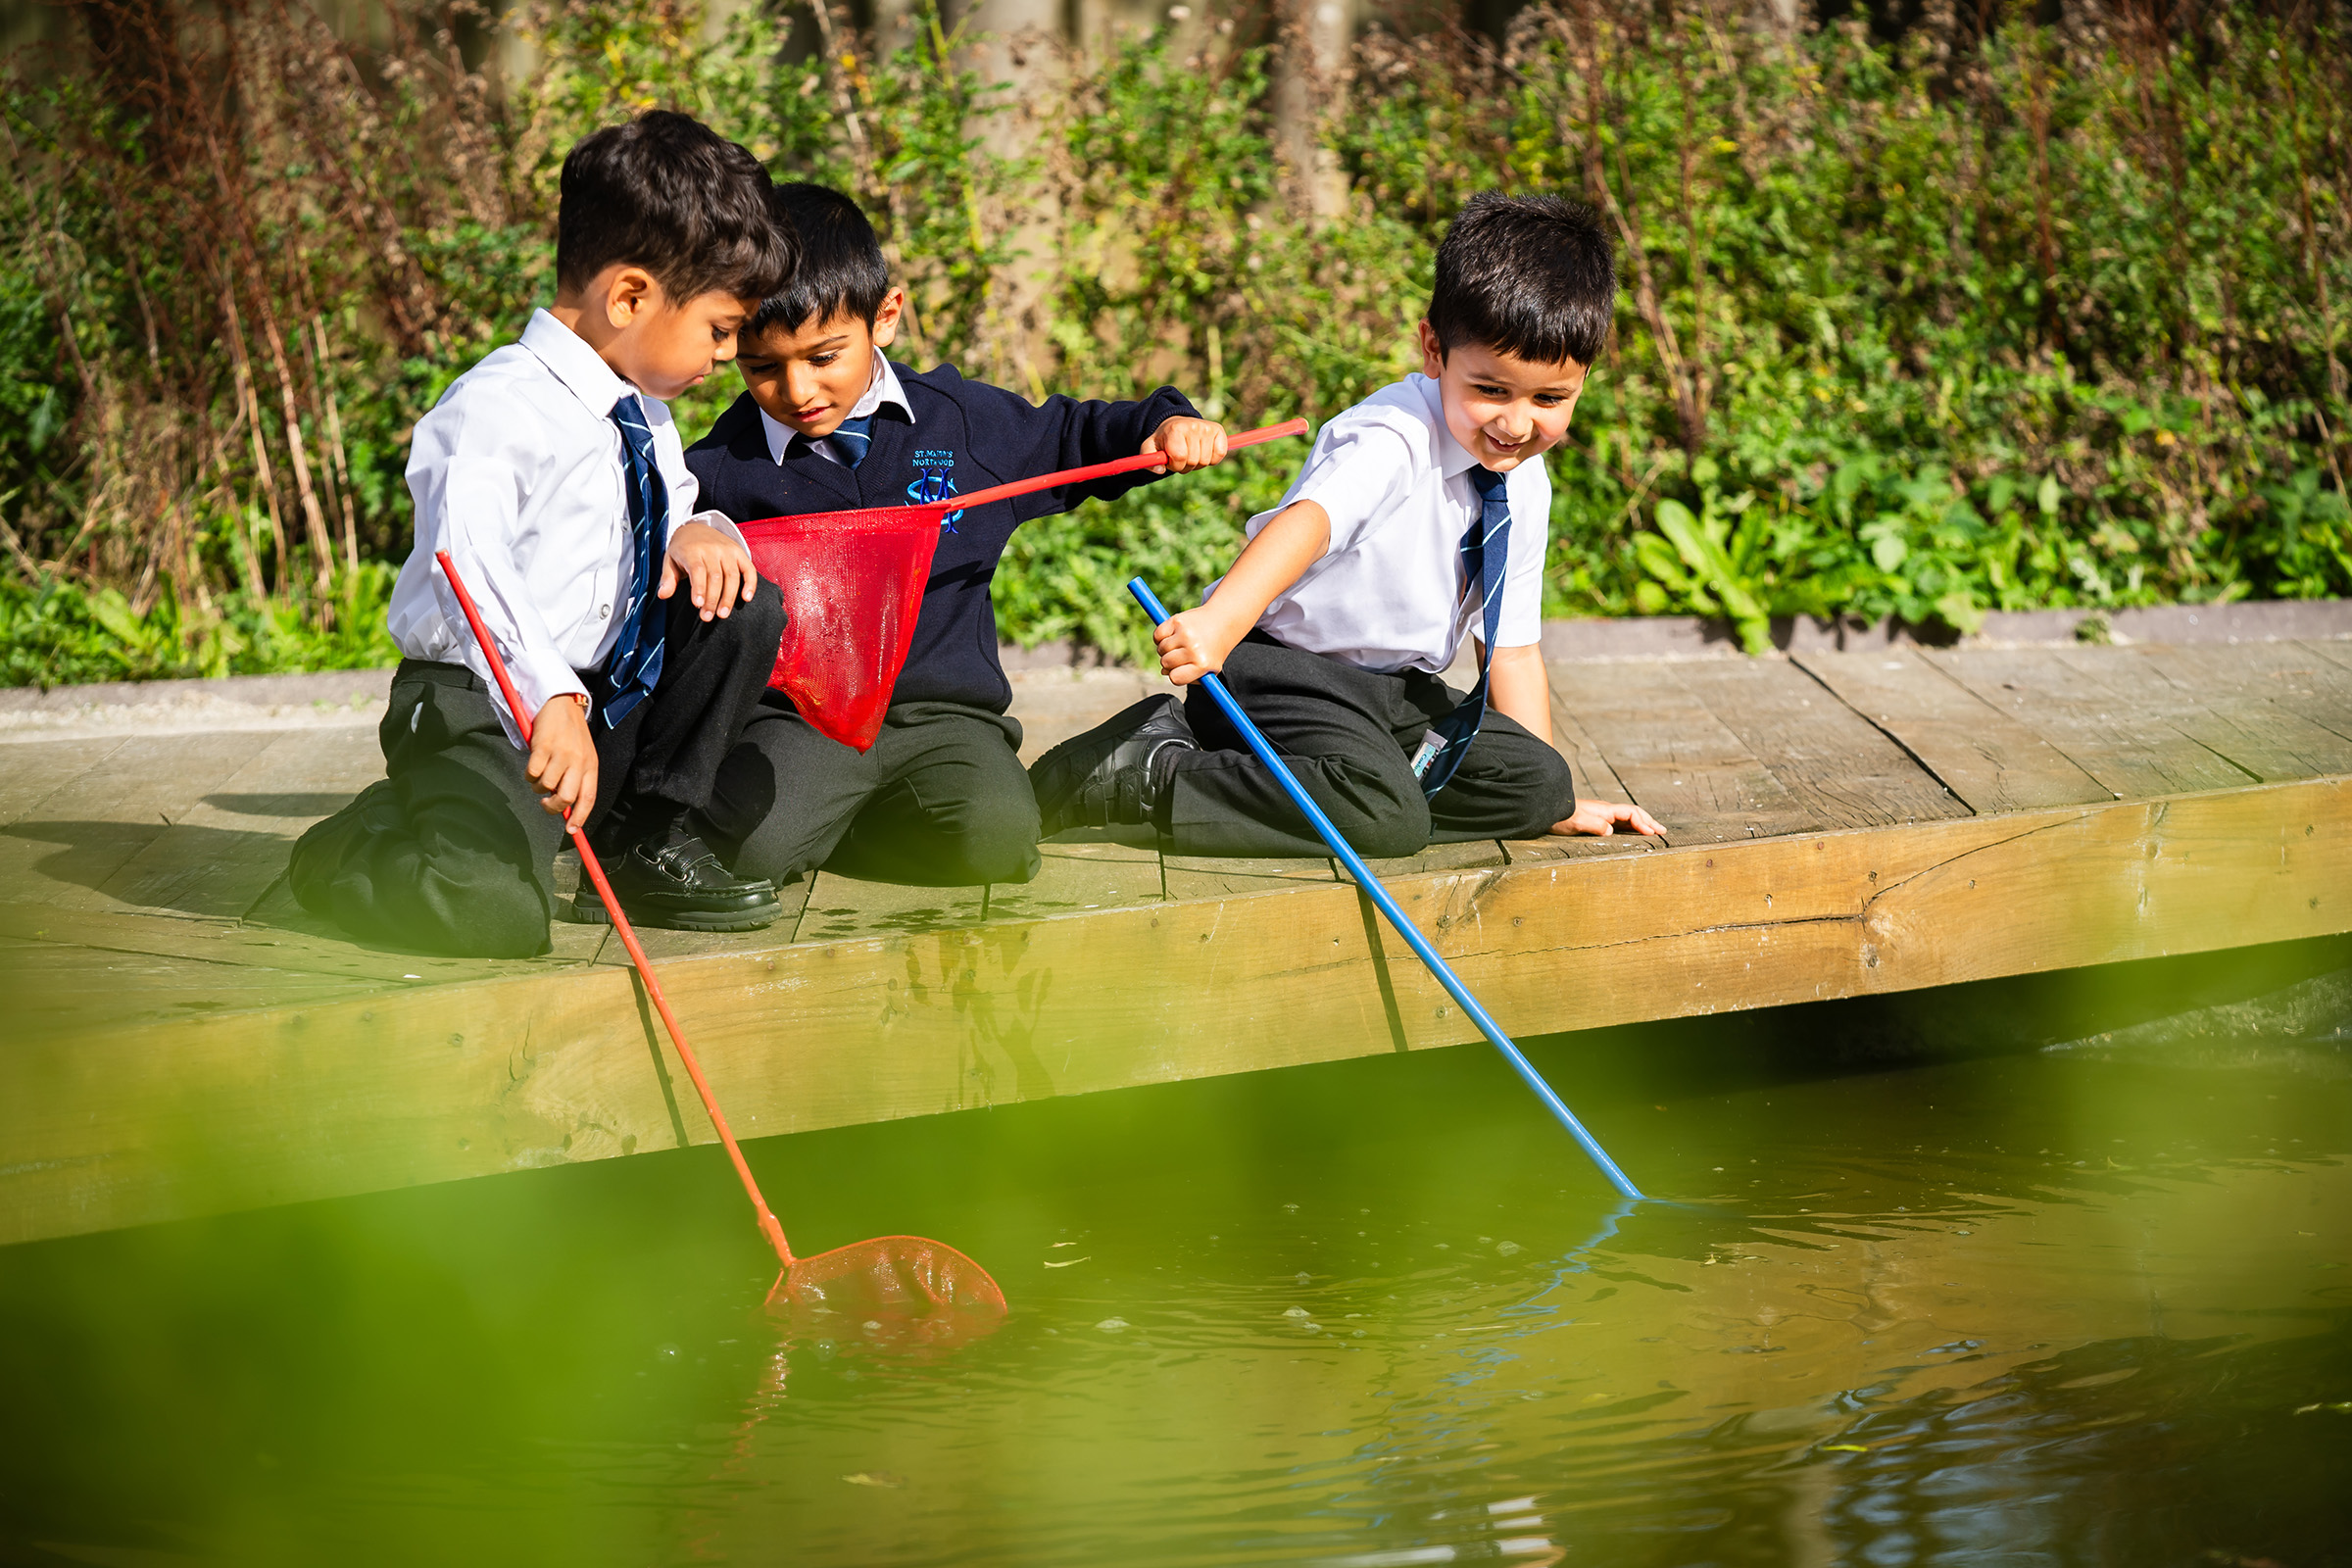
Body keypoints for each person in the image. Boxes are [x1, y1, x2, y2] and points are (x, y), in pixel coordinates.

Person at [289, 111, 797, 956]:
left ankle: (644, 840)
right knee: (490, 914)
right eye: (720, 329)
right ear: (630, 296)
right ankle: (347, 851)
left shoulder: (643, 410)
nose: (727, 355)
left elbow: (669, 507)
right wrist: (546, 697)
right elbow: (467, 565)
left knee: (744, 609)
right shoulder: (494, 408)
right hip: (487, 706)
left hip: (600, 700)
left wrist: (703, 528)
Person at [1031, 193, 1663, 858]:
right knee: (1384, 816)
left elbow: (1510, 648)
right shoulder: (1393, 437)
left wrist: (1552, 808)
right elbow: (1310, 523)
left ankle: (1346, 788)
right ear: (1434, 350)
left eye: (1548, 399)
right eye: (1491, 390)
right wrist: (1220, 623)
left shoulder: (1525, 481)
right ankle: (1153, 772)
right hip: (1282, 674)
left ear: (1583, 379)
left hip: (1392, 697)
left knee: (1538, 783)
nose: (1515, 423)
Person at [685, 182, 1227, 890]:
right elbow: (661, 527)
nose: (797, 390)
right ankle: (828, 820)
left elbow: (1075, 434)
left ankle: (891, 815)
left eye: (824, 357)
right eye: (763, 368)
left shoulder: (960, 423)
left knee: (996, 844)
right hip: (805, 720)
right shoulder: (718, 469)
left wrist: (1163, 424)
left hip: (945, 718)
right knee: (748, 853)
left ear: (885, 317)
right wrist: (689, 533)